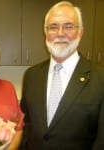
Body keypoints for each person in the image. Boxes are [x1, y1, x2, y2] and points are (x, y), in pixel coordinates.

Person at [19, 1, 104, 150]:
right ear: (45, 33)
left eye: (69, 26)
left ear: (81, 32)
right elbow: (26, 124)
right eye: (53, 27)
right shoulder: (31, 76)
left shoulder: (100, 77)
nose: (60, 33)